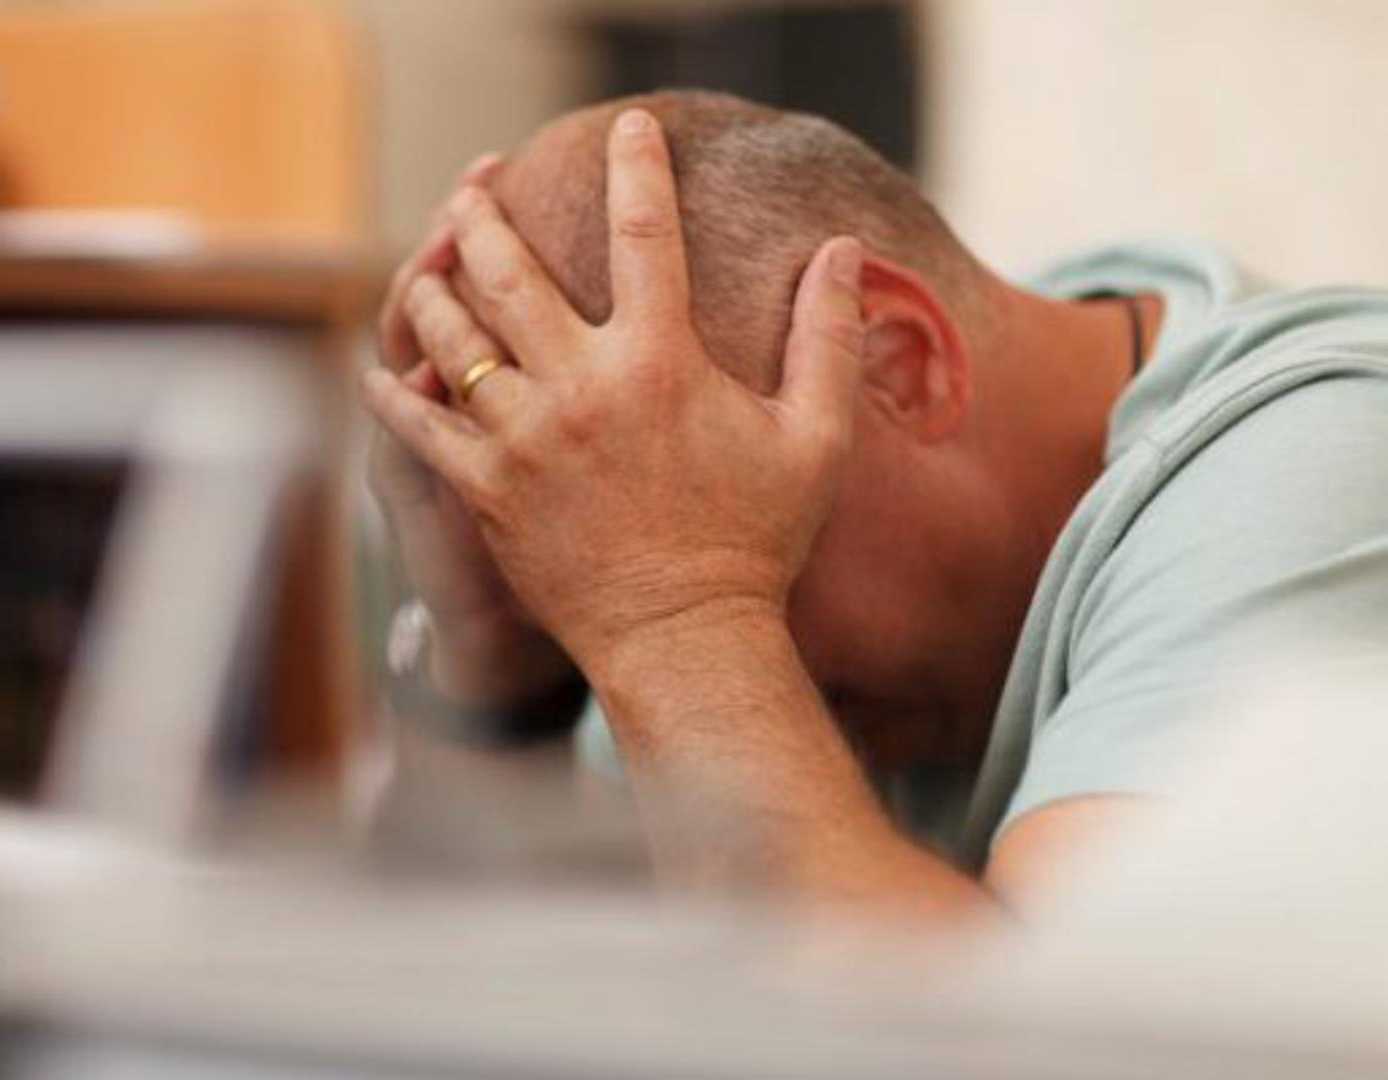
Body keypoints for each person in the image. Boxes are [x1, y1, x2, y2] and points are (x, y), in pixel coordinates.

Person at [364, 89, 1388, 917]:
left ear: (896, 363)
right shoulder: (662, 560)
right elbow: (485, 1012)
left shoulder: (1323, 456)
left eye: (718, 519)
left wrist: (682, 608)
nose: (671, 674)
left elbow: (1057, 1045)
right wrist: (493, 667)